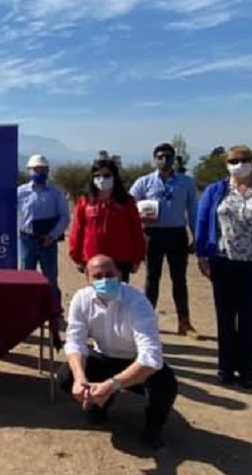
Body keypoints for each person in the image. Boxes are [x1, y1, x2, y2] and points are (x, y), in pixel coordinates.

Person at [58, 254, 178, 449]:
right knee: (66, 376)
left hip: (134, 362)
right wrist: (80, 378)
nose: (105, 280)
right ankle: (98, 404)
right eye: (97, 276)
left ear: (120, 275)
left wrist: (112, 385)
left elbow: (151, 357)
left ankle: (153, 428)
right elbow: (75, 342)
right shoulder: (81, 299)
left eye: (109, 274)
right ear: (88, 280)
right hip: (103, 357)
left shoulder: (138, 302)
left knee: (166, 385)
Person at [194, 145, 252, 388]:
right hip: (223, 262)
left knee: (249, 320)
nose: (240, 165)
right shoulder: (215, 191)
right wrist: (202, 256)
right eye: (234, 161)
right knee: (225, 319)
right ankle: (225, 369)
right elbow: (202, 222)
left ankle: (247, 372)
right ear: (226, 164)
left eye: (244, 160)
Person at [130, 142, 200, 337]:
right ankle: (147, 320)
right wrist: (139, 217)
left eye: (168, 156)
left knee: (179, 279)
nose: (164, 160)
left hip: (177, 234)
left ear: (174, 159)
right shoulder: (144, 182)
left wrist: (196, 236)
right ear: (155, 159)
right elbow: (128, 204)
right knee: (152, 279)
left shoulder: (186, 182)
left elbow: (193, 210)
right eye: (160, 157)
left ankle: (184, 322)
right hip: (152, 235)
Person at [68, 158, 146, 282]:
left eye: (106, 175)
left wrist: (138, 257)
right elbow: (77, 230)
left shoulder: (127, 201)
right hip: (93, 259)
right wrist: (76, 257)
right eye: (97, 176)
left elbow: (136, 230)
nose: (102, 179)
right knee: (96, 292)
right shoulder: (85, 201)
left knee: (120, 293)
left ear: (114, 176)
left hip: (121, 258)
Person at [16, 154, 71, 316]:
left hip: (48, 241)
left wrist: (52, 235)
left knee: (50, 278)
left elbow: (64, 217)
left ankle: (55, 312)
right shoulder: (20, 192)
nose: (39, 173)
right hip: (27, 240)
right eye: (36, 170)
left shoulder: (55, 193)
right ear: (30, 171)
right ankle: (27, 313)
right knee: (26, 278)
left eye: (43, 170)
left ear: (48, 171)